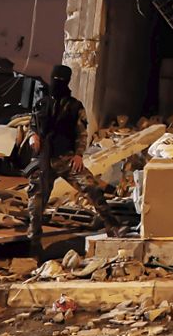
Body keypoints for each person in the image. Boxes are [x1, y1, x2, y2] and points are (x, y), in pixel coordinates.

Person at [27, 64, 123, 249]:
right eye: (55, 80)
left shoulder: (74, 106)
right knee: (36, 203)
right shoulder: (41, 103)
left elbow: (81, 133)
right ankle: (34, 243)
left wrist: (79, 155)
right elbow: (32, 125)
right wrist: (33, 136)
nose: (57, 84)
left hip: (67, 158)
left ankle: (113, 226)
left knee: (92, 189)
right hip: (42, 158)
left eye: (60, 81)